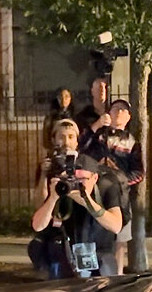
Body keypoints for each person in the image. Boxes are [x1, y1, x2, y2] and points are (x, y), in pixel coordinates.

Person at [29, 119, 123, 278]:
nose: (75, 181)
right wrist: (53, 197)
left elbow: (115, 226)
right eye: (62, 136)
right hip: (63, 252)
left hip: (97, 253)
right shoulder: (51, 172)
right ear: (53, 139)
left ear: (94, 176)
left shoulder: (107, 183)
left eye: (71, 137)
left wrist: (87, 201)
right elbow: (38, 225)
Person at [84, 99, 144, 271]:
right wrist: (96, 126)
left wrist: (119, 179)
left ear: (129, 116)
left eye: (123, 110)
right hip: (96, 192)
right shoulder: (99, 136)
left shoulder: (132, 143)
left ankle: (116, 275)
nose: (119, 112)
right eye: (115, 109)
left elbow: (138, 172)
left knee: (120, 240)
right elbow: (82, 146)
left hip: (120, 196)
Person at [74, 76, 110, 149]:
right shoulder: (82, 117)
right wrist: (96, 125)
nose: (102, 90)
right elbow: (79, 144)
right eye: (99, 87)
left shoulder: (114, 114)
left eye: (105, 87)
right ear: (92, 91)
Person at [43, 87, 75, 152]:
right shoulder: (51, 116)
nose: (64, 99)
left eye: (67, 96)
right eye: (61, 97)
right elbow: (46, 137)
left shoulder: (76, 115)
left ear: (71, 98)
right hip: (56, 148)